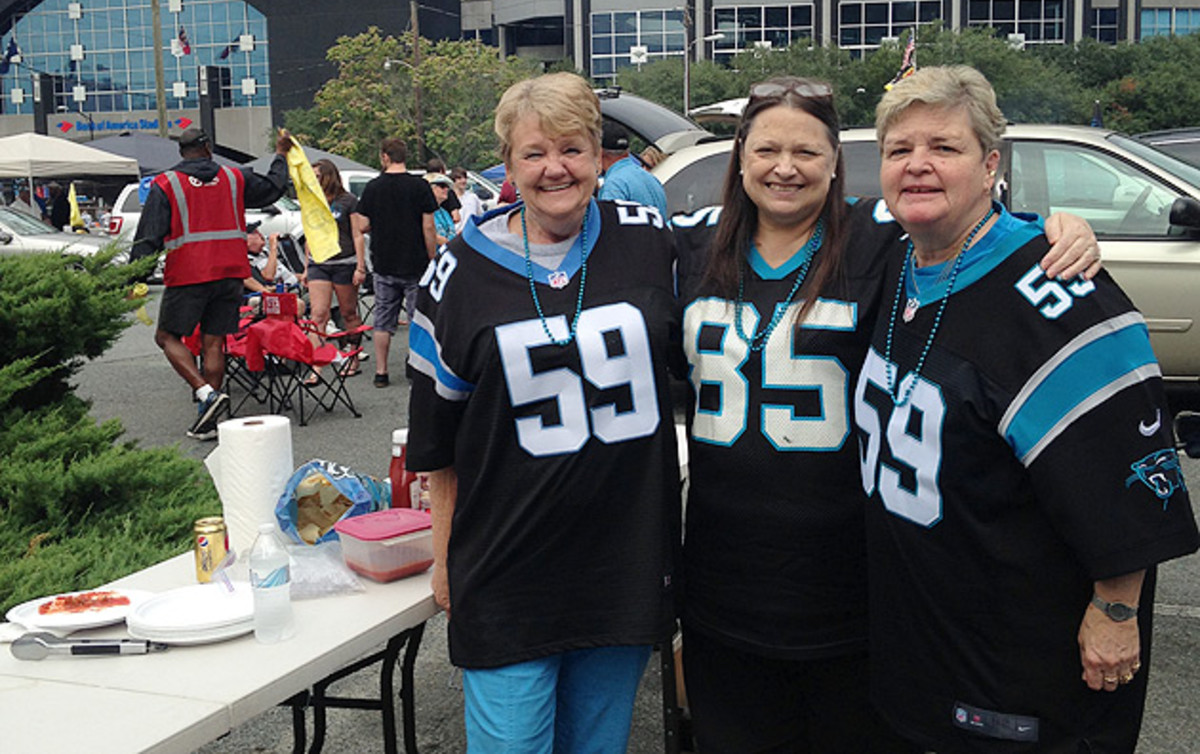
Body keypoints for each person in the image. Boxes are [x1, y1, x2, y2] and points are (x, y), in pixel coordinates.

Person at [673, 76, 1101, 753]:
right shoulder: (689, 244)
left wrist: (1062, 228)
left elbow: (977, 231)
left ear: (836, 162)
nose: (786, 168)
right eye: (767, 150)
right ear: (740, 156)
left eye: (808, 152)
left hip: (853, 577)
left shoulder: (880, 237)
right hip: (724, 574)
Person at [856, 64, 1200, 752]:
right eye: (899, 150)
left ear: (990, 166)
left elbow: (1129, 486)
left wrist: (1115, 609)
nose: (918, 166)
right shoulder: (897, 263)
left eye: (944, 149)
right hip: (922, 645)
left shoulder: (1058, 294)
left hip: (1018, 663)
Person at [406, 72, 681, 753]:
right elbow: (439, 443)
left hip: (621, 562)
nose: (554, 168)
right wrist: (445, 563)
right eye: (533, 153)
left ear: (598, 155)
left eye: (572, 148)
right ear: (508, 163)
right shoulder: (458, 271)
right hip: (509, 570)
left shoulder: (652, 241)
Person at [131, 127, 292, 440]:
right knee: (213, 341)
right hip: (231, 273)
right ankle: (208, 421)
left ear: (182, 152)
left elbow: (148, 238)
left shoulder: (166, 184)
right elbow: (273, 189)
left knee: (166, 336)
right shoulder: (235, 178)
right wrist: (281, 155)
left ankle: (206, 394)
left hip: (189, 274)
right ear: (207, 148)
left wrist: (132, 278)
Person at [353, 137, 438, 388]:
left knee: (382, 319)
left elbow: (362, 224)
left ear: (385, 157)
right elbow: (429, 226)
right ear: (405, 157)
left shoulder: (373, 187)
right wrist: (432, 256)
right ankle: (415, 365)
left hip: (384, 261)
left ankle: (381, 371)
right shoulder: (420, 186)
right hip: (416, 262)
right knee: (416, 317)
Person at [306, 158, 365, 378]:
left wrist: (360, 266)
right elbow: (309, 234)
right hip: (318, 263)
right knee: (318, 314)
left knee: (348, 311)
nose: (314, 179)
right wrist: (306, 266)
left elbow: (357, 233)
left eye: (317, 175)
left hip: (344, 261)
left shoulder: (348, 200)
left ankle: (353, 355)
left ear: (328, 176)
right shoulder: (312, 200)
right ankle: (317, 365)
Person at [598, 121, 667, 213]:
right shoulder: (652, 179)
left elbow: (610, 225)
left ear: (599, 152)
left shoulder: (613, 185)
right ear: (627, 150)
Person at [426, 172, 458, 245]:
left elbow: (452, 233)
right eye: (442, 186)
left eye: (447, 187)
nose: (446, 189)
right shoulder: (419, 212)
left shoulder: (444, 212)